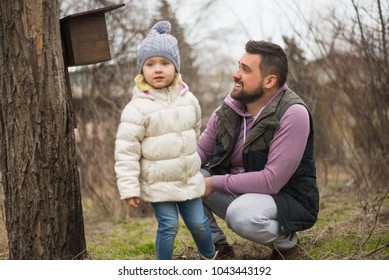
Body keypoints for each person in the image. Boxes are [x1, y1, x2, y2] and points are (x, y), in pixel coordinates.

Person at [198, 40, 319, 260]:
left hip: (285, 198)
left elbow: (272, 181)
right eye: (239, 66)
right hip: (241, 193)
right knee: (187, 180)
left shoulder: (292, 113)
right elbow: (199, 154)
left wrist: (214, 183)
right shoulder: (226, 111)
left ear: (270, 80)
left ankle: (287, 245)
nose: (236, 74)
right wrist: (167, 168)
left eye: (245, 70)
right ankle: (217, 248)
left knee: (240, 215)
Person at [114, 21, 216, 260]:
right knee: (169, 226)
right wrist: (129, 188)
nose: (157, 69)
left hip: (187, 178)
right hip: (157, 182)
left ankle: (211, 257)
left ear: (176, 67)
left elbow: (195, 130)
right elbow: (126, 151)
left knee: (200, 223)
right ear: (142, 70)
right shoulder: (137, 108)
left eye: (164, 63)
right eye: (150, 64)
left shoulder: (189, 99)